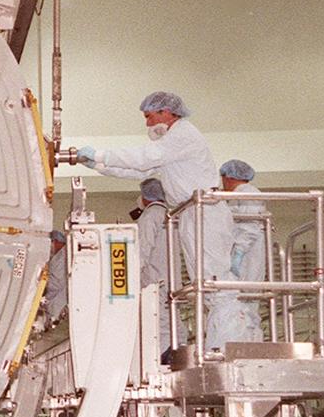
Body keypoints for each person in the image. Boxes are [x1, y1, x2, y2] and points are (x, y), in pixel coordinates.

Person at [75, 91, 245, 351]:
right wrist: (98, 166)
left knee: (214, 281)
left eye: (149, 117)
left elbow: (145, 157)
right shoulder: (170, 148)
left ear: (167, 112)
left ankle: (231, 347)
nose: (147, 124)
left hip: (205, 211)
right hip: (191, 213)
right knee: (207, 283)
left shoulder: (183, 135)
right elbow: (139, 169)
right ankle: (221, 347)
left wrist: (100, 154)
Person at [134, 178, 184, 357]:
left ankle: (165, 357)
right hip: (172, 278)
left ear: (145, 196)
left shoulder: (149, 216)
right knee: (172, 319)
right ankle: (178, 352)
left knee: (158, 321)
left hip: (154, 279)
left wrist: (133, 278)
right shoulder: (171, 215)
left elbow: (142, 250)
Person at [221, 159, 266, 342]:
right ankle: (244, 345)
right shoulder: (237, 195)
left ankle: (249, 347)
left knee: (247, 303)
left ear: (229, 177)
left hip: (248, 255)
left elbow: (250, 226)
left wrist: (238, 253)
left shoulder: (249, 193)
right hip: (242, 253)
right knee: (241, 304)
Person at [44, 229, 68, 322]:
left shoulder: (62, 258)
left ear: (57, 242)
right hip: (56, 306)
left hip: (57, 306)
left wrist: (40, 282)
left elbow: (56, 283)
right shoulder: (58, 257)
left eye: (51, 242)